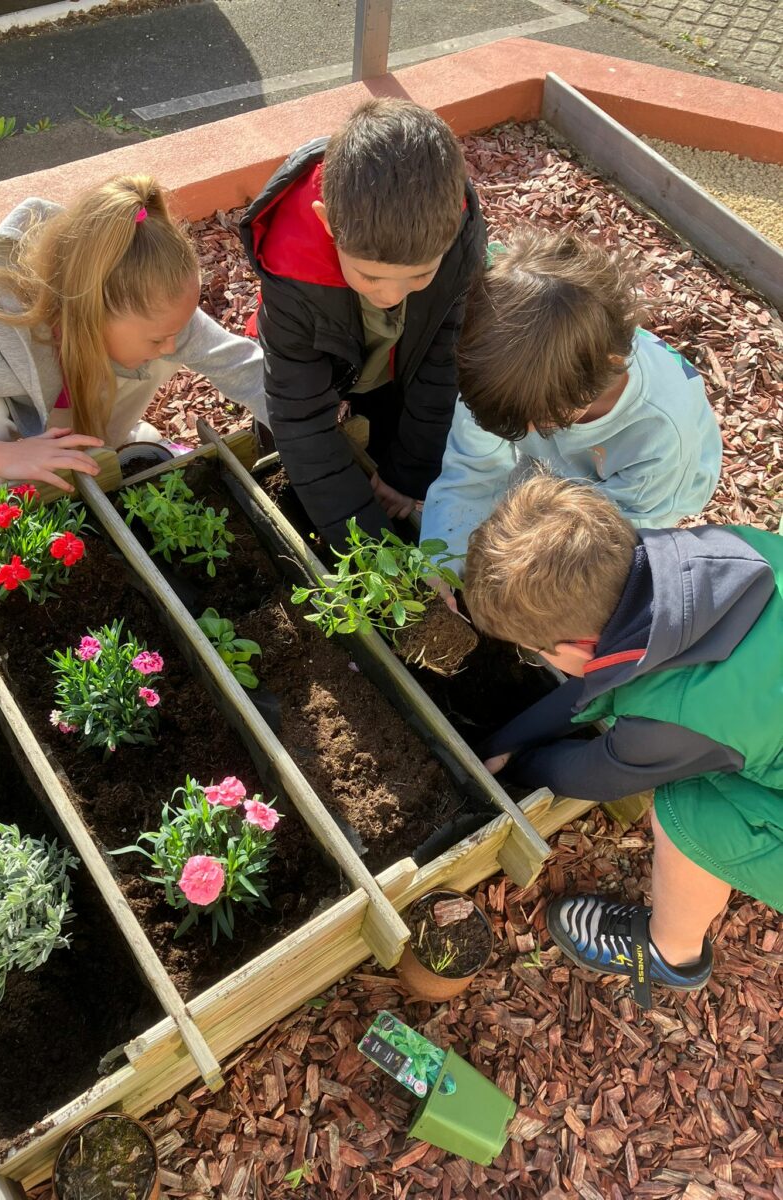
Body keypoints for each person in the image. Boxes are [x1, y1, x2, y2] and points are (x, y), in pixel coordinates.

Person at [463, 471, 783, 1007]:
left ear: (573, 645)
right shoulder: (717, 557)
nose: (534, 659)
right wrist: (509, 736)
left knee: (687, 809)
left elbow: (596, 772)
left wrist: (520, 765)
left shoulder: (675, 721)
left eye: (533, 649)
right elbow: (606, 673)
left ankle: (669, 953)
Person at [0, 174, 267, 498]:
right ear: (92, 312)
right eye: (156, 338)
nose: (174, 344)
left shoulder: (132, 294)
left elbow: (244, 369)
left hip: (53, 367)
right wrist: (5, 457)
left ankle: (104, 447)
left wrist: (314, 435)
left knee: (156, 356)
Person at [239, 97, 486, 546]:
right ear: (328, 224)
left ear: (449, 235)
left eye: (420, 275)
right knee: (291, 442)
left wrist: (408, 475)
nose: (390, 294)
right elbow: (299, 414)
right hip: (322, 352)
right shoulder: (291, 273)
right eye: (370, 275)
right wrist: (364, 543)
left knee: (387, 430)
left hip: (396, 362)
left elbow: (440, 369)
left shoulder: (455, 243)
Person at [420, 229, 722, 581]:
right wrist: (439, 568)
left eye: (544, 419)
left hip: (654, 487)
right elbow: (472, 474)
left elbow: (619, 533)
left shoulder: (660, 434)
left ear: (610, 365)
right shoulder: (505, 377)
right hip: (566, 455)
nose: (528, 431)